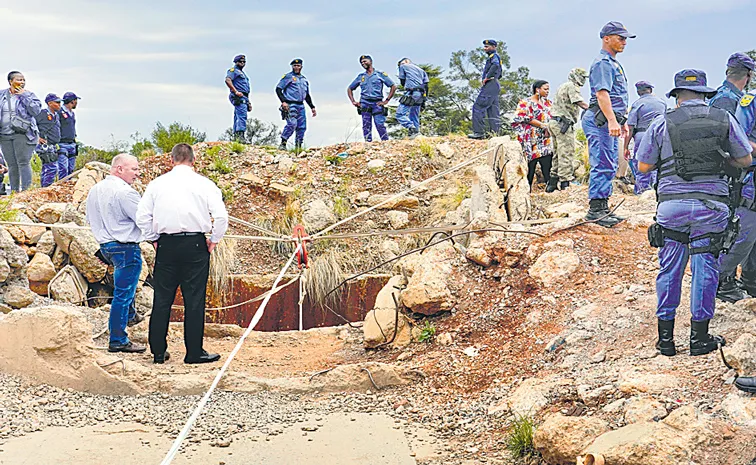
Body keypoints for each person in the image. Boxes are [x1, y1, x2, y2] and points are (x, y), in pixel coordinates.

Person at [637, 69, 753, 357]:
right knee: (705, 268)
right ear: (705, 95)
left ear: (677, 96)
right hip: (711, 208)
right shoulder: (723, 118)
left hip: (672, 208)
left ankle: (665, 341)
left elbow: (642, 167)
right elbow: (745, 159)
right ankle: (699, 339)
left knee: (669, 270)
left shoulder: (662, 122)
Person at [136, 143, 228, 364]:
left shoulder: (157, 184)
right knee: (194, 301)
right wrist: (213, 240)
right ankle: (193, 352)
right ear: (194, 160)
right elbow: (222, 218)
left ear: (171, 160)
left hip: (167, 245)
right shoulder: (204, 184)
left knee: (162, 300)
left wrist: (154, 238)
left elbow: (142, 217)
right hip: (195, 245)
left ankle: (158, 352)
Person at [86, 154, 146, 354]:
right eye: (134, 169)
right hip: (125, 247)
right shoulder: (126, 192)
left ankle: (130, 315)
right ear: (119, 169)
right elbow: (144, 220)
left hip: (106, 246)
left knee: (124, 287)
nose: (138, 173)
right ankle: (118, 339)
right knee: (123, 293)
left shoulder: (95, 189)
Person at [582, 22, 634, 227]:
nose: (624, 42)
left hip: (609, 121)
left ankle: (603, 207)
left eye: (625, 39)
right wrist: (612, 120)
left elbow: (617, 96)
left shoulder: (612, 63)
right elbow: (602, 94)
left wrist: (622, 121)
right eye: (620, 38)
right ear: (606, 38)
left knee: (610, 163)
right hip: (600, 121)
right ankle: (595, 210)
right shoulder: (603, 63)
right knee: (602, 163)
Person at [717, 86, 756, 302]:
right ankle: (721, 282)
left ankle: (751, 281)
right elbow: (739, 141)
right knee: (744, 232)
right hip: (750, 179)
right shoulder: (751, 101)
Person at [546, 68, 589, 192]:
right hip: (563, 124)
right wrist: (591, 109)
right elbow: (578, 101)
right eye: (582, 77)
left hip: (554, 122)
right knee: (566, 152)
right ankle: (565, 183)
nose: (584, 80)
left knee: (557, 153)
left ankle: (552, 182)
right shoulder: (572, 86)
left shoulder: (562, 86)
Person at [0, 71, 42, 192]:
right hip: (4, 134)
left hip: (22, 133)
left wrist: (24, 96)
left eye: (23, 80)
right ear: (10, 81)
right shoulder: (2, 94)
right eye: (19, 80)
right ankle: (14, 192)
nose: (22, 82)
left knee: (23, 162)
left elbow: (36, 111)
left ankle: (26, 191)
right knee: (12, 165)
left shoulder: (29, 95)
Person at [624, 81, 667, 195]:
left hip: (642, 134)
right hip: (660, 134)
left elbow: (630, 127)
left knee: (641, 162)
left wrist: (625, 146)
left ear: (638, 92)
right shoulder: (662, 103)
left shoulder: (637, 104)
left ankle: (642, 191)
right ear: (650, 90)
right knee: (657, 163)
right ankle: (656, 189)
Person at [513, 80, 553, 190]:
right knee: (530, 164)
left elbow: (552, 117)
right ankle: (526, 189)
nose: (547, 91)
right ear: (537, 90)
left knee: (547, 162)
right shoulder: (525, 103)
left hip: (545, 139)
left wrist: (548, 127)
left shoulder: (548, 103)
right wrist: (542, 125)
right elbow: (521, 117)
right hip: (531, 139)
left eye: (548, 89)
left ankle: (550, 189)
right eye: (545, 89)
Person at [347, 55, 396, 142]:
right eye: (361, 62)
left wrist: (386, 100)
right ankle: (368, 143)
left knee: (379, 124)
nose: (363, 63)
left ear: (370, 61)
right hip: (365, 103)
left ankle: (385, 142)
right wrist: (353, 101)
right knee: (366, 125)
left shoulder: (380, 75)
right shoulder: (361, 76)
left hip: (377, 103)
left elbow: (392, 86)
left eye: (365, 61)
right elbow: (350, 88)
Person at [276, 58, 316, 152]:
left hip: (301, 105)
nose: (296, 67)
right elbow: (278, 89)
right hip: (290, 104)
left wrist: (312, 107)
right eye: (294, 66)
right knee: (292, 124)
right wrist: (283, 102)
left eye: (298, 66)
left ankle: (298, 146)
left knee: (302, 127)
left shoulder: (304, 79)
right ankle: (283, 142)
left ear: (301, 66)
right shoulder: (288, 77)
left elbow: (307, 95)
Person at [468, 39, 502, 139]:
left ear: (494, 47)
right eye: (485, 46)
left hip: (490, 84)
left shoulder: (494, 57)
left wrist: (487, 77)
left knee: (478, 107)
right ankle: (495, 134)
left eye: (487, 47)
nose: (485, 48)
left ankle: (479, 133)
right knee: (493, 110)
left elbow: (495, 65)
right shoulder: (494, 57)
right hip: (494, 84)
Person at [34, 93, 67, 187]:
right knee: (52, 168)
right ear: (50, 103)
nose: (59, 105)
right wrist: (37, 138)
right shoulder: (42, 113)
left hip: (53, 145)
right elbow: (30, 124)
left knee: (47, 168)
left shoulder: (56, 115)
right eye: (57, 102)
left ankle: (44, 189)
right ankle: (46, 188)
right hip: (45, 145)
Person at [396, 58, 429, 139]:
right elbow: (426, 86)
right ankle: (416, 135)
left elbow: (402, 81)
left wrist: (406, 86)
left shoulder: (403, 66)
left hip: (411, 93)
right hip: (420, 94)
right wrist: (424, 101)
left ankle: (411, 127)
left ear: (407, 61)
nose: (400, 65)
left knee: (400, 114)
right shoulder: (421, 70)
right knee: (414, 115)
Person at [225, 54, 252, 142]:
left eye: (244, 62)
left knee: (238, 115)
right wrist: (235, 91)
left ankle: (236, 136)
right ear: (236, 62)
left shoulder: (242, 73)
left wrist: (249, 102)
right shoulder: (233, 71)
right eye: (240, 62)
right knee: (242, 115)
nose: (242, 63)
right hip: (238, 95)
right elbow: (228, 80)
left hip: (244, 96)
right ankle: (240, 135)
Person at [58, 91, 81, 178]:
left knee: (71, 169)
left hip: (72, 143)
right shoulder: (60, 112)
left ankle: (67, 186)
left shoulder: (72, 114)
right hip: (62, 143)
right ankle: (61, 186)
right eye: (76, 101)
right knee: (63, 168)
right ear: (72, 101)